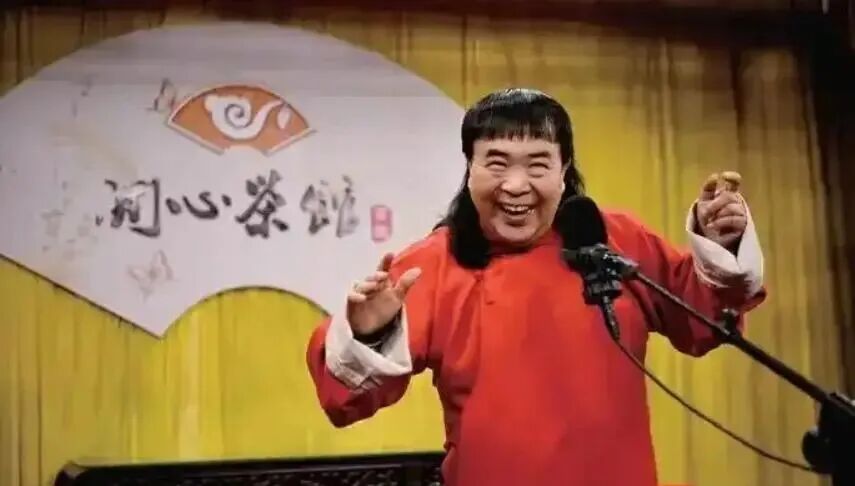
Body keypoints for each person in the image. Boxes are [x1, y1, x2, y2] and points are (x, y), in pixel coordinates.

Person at [306, 88, 765, 486]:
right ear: (470, 169)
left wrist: (720, 244)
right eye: (497, 163)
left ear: (564, 171)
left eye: (538, 164)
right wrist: (367, 333)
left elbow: (702, 322)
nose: (515, 185)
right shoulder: (435, 263)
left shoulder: (614, 240)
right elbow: (345, 399)